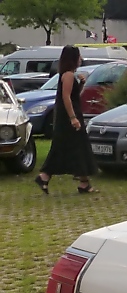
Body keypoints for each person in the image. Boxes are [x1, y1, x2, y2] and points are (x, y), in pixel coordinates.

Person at [35, 46, 97, 195]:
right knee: (74, 146)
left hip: (71, 115)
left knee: (74, 147)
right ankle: (46, 176)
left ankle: (82, 182)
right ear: (73, 58)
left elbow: (74, 96)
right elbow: (66, 97)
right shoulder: (68, 75)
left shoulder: (69, 75)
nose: (81, 59)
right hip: (69, 117)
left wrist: (81, 84)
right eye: (79, 56)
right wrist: (73, 118)